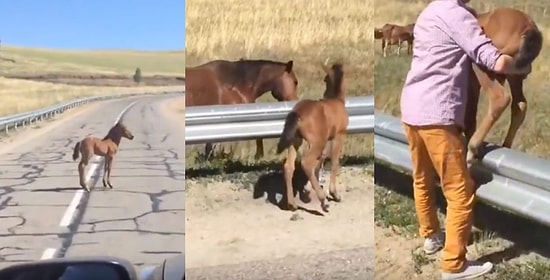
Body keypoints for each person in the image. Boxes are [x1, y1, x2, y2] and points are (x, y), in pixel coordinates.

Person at [399, 0, 532, 279]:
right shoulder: (458, 16)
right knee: (460, 191)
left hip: (411, 107)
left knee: (422, 177)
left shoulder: (430, 12)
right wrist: (517, 62)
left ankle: (431, 237)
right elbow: (491, 59)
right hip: (437, 113)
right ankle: (454, 264)